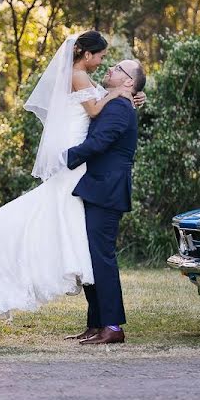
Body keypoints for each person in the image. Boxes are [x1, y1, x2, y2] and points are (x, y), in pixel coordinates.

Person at [0, 31, 144, 321]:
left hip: (88, 173)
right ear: (86, 54)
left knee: (86, 246)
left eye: (113, 64)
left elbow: (103, 115)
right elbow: (95, 110)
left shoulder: (92, 82)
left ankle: (102, 319)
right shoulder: (80, 76)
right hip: (78, 167)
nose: (104, 63)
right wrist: (119, 93)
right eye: (102, 56)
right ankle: (97, 314)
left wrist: (127, 95)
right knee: (70, 236)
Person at [64, 58, 145, 345]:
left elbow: (98, 143)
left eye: (118, 69)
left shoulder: (120, 108)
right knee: (92, 257)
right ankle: (96, 323)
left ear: (128, 81)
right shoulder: (118, 102)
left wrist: (63, 158)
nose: (110, 68)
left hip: (107, 190)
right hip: (97, 188)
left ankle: (112, 326)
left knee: (102, 258)